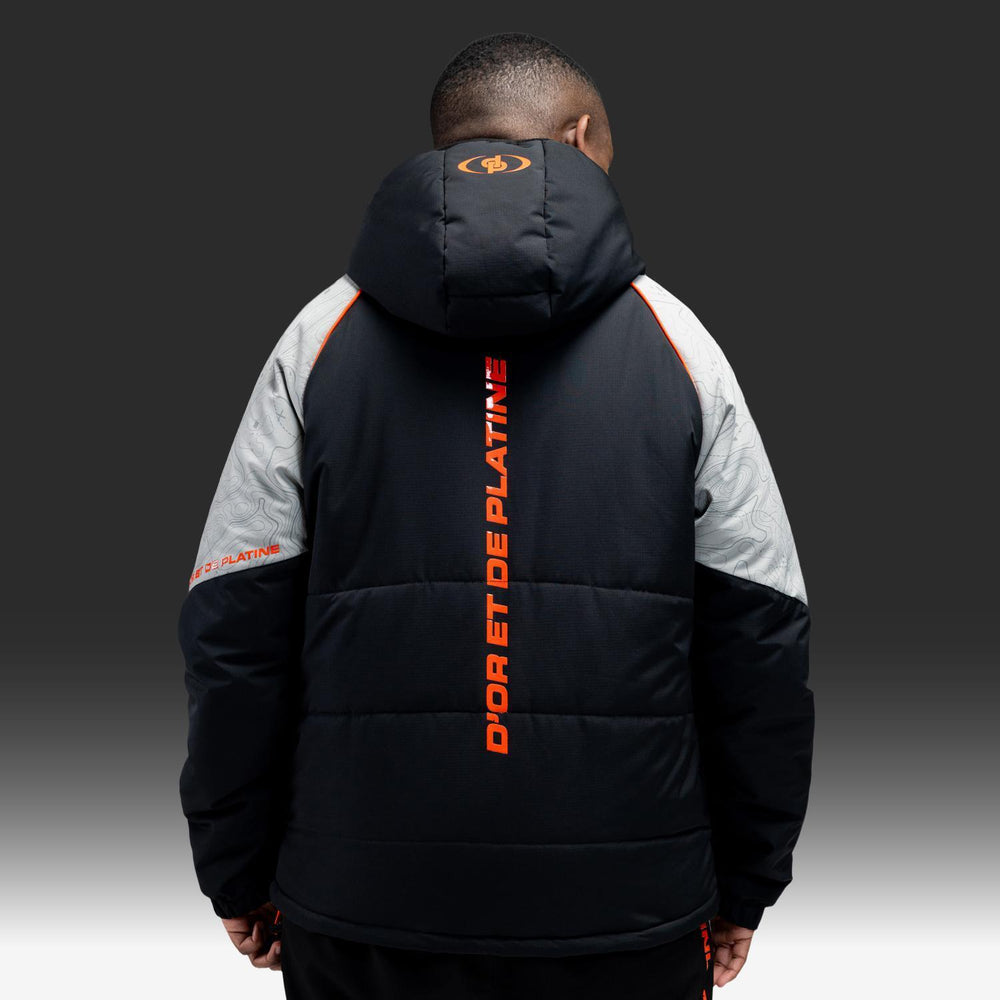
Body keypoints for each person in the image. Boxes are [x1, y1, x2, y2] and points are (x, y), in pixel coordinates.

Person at [178, 31, 815, 1000]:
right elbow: (761, 635)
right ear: (581, 135)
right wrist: (747, 880)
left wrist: (236, 866)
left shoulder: (317, 338)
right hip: (625, 913)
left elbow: (234, 626)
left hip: (362, 907)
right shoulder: (680, 342)